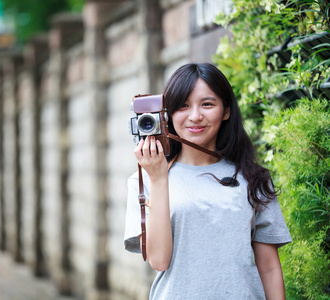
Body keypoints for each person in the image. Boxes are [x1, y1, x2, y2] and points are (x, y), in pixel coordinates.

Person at [124, 63, 292, 299]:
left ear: (226, 111)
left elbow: (270, 267)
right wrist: (159, 178)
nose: (195, 116)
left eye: (207, 104)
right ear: (167, 114)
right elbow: (159, 261)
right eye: (182, 106)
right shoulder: (144, 180)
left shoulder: (253, 178)